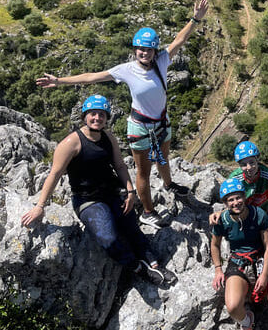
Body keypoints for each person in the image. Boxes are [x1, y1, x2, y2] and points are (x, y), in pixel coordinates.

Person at [36, 0, 209, 229]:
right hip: (140, 126)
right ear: (135, 49)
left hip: (161, 121)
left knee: (163, 158)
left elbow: (180, 39)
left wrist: (195, 18)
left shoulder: (162, 60)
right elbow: (92, 77)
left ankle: (169, 185)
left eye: (147, 49)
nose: (143, 52)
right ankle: (148, 211)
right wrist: (59, 81)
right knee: (144, 172)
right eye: (139, 48)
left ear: (154, 49)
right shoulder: (126, 70)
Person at [20, 95, 176, 286]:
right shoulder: (71, 143)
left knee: (132, 229)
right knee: (109, 239)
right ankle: (138, 268)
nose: (97, 118)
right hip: (88, 200)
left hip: (112, 192)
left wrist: (129, 191)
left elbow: (119, 165)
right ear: (85, 116)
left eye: (102, 115)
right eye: (93, 114)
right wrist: (40, 206)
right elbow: (54, 174)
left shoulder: (108, 137)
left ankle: (154, 264)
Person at [211, 178, 268, 330]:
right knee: (233, 307)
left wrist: (264, 275)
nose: (236, 202)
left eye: (238, 197)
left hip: (262, 258)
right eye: (231, 200)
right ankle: (247, 321)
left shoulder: (258, 214)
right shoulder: (222, 220)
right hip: (238, 262)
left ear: (244, 197)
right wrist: (218, 269)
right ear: (225, 203)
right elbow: (215, 244)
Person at [209, 141, 268, 242]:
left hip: (264, 214)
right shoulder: (235, 179)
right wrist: (221, 213)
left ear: (257, 160)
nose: (249, 168)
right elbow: (231, 203)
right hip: (243, 215)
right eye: (243, 164)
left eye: (252, 162)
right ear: (239, 165)